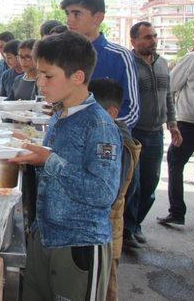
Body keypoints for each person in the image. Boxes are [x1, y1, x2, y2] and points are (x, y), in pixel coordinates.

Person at [10, 31, 121, 301]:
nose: (40, 83)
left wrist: (48, 160)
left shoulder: (99, 125)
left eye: (48, 76)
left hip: (78, 245)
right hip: (45, 237)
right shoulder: (61, 113)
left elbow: (103, 192)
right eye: (39, 74)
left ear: (78, 77)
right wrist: (32, 150)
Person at [123, 22, 180, 247]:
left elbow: (168, 97)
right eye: (147, 37)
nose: (153, 40)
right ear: (134, 41)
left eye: (154, 36)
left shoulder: (163, 64)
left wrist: (172, 123)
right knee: (132, 185)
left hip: (156, 134)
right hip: (133, 131)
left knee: (150, 183)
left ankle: (136, 225)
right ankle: (127, 230)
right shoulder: (127, 64)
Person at [158, 25, 194, 233]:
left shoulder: (193, 58)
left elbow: (171, 85)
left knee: (175, 162)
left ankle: (177, 211)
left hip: (190, 121)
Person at [89, 78, 142, 301]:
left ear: (111, 113)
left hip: (106, 230)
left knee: (104, 286)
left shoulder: (114, 144)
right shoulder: (104, 134)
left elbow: (106, 193)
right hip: (101, 228)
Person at [62, 0, 140, 129]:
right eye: (68, 13)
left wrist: (97, 131)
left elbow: (131, 111)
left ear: (98, 18)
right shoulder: (63, 55)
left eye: (77, 14)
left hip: (107, 145)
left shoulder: (120, 56)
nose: (69, 20)